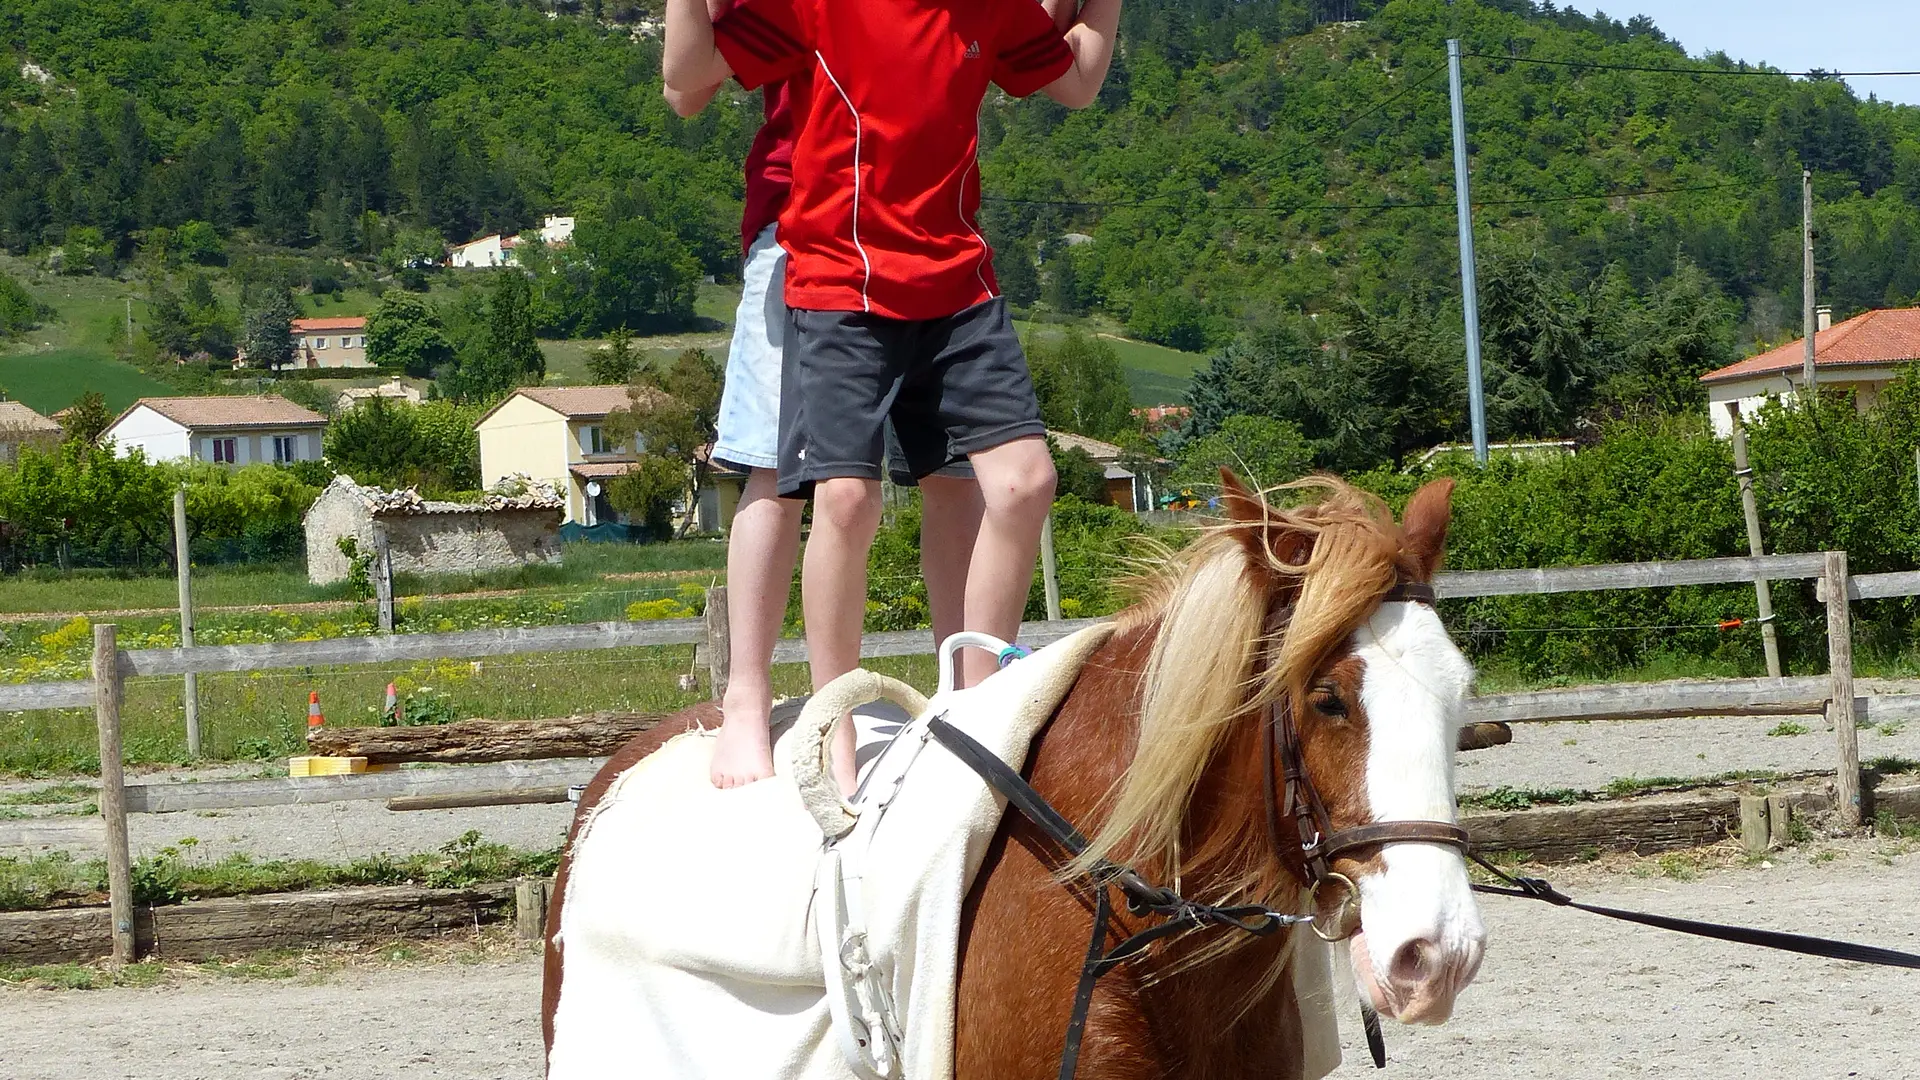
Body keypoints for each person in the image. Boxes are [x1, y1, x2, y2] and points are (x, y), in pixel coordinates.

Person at [666, 0, 1120, 795]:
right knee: (803, 485)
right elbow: (687, 80)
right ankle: (775, 707)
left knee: (987, 483)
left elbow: (1060, 63)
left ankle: (973, 709)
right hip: (823, 256)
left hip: (947, 278)